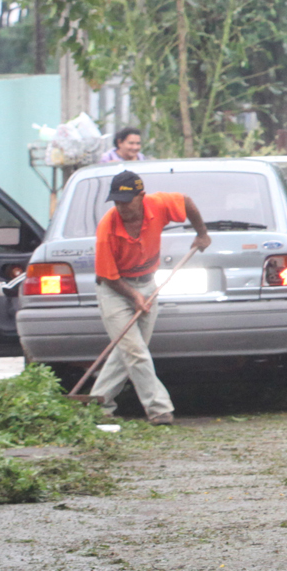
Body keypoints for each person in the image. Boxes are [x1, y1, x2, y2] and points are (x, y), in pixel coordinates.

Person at [91, 171, 211, 425]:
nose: (121, 207)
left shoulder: (157, 204)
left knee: (131, 352)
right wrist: (134, 296)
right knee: (135, 351)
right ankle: (159, 409)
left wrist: (201, 232)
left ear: (141, 197)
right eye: (117, 202)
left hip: (147, 283)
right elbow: (109, 276)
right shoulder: (107, 227)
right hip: (114, 290)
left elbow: (186, 201)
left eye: (126, 201)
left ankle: (96, 404)